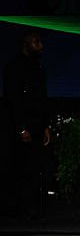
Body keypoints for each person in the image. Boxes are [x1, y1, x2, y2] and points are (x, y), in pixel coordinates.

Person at [2, 30, 51, 219]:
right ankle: (20, 210)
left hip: (38, 125)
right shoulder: (14, 68)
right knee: (20, 168)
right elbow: (13, 100)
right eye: (36, 42)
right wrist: (21, 127)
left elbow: (42, 99)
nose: (41, 46)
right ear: (26, 43)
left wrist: (45, 125)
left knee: (35, 167)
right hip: (21, 127)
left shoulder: (38, 69)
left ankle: (34, 209)